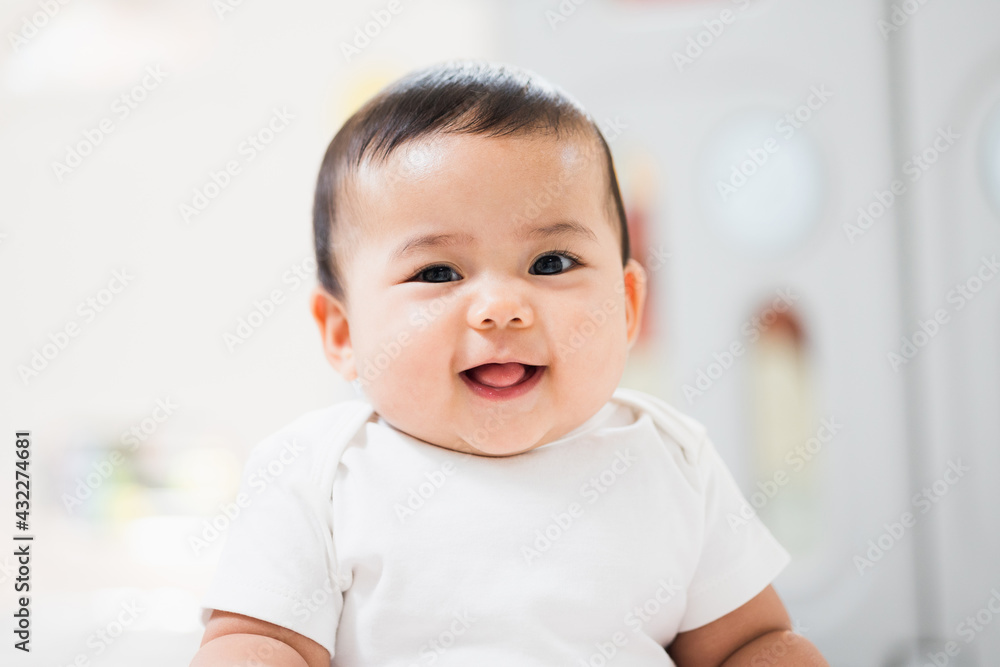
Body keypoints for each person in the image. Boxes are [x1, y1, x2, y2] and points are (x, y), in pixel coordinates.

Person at [191, 60, 827, 667]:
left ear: (627, 304)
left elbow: (749, 643)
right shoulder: (318, 476)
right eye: (437, 272)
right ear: (343, 332)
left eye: (551, 263)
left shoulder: (669, 459)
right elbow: (255, 641)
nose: (500, 308)